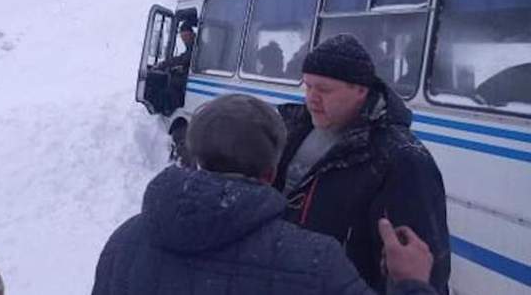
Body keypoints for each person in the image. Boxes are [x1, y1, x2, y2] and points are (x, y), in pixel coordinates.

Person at [91, 94, 440, 295]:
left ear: (195, 158)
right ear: (272, 173)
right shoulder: (317, 262)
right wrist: (411, 283)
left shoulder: (125, 242)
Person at [274, 34, 450, 294]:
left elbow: (425, 266)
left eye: (324, 90)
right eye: (308, 87)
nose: (311, 98)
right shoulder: (295, 129)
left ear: (360, 90)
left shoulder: (401, 160)